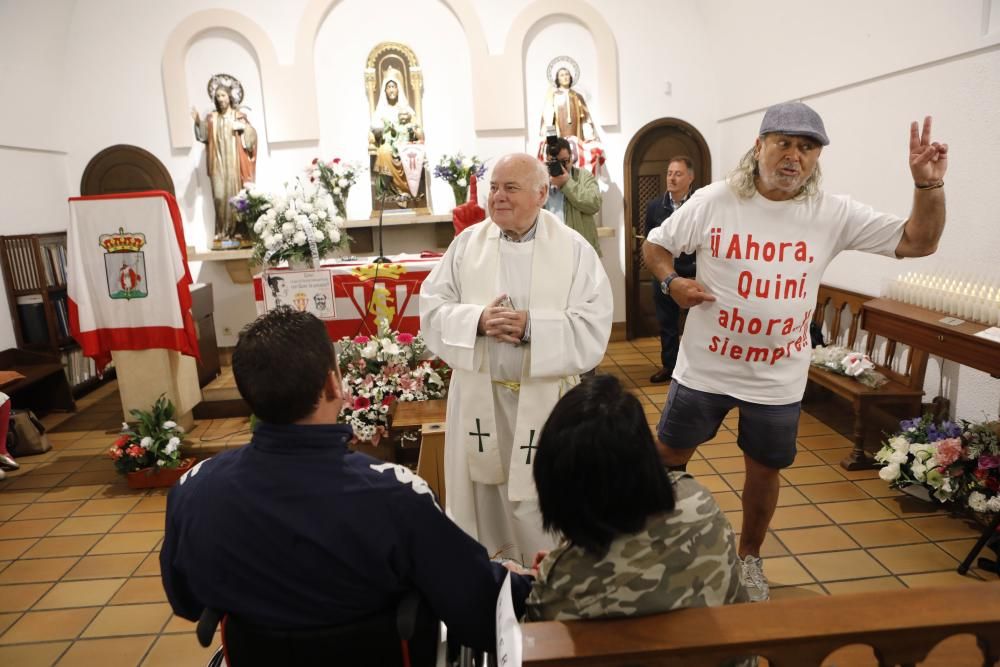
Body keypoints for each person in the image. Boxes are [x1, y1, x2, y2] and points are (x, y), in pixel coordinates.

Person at [643, 102, 948, 602]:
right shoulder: (714, 201)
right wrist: (671, 280)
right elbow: (656, 244)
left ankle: (749, 559)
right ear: (758, 147)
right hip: (706, 367)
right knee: (668, 455)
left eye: (807, 147)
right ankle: (652, 542)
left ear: (816, 158)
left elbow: (919, 242)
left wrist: (927, 184)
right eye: (783, 142)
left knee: (764, 470)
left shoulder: (832, 213)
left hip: (776, 376)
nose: (794, 156)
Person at [160, 308, 532, 652]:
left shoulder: (194, 491)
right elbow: (478, 607)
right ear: (332, 385)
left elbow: (186, 600)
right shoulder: (396, 496)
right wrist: (524, 580)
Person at [419, 153, 613, 564]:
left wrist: (532, 328)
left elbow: (594, 325)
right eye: (493, 187)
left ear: (542, 194)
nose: (498, 197)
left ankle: (550, 580)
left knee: (543, 497)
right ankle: (484, 582)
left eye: (510, 188)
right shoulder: (466, 246)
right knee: (480, 498)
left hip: (547, 406)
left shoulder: (574, 250)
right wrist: (476, 320)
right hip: (478, 400)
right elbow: (432, 311)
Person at [525, 375, 747, 620]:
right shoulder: (698, 500)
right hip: (724, 654)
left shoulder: (561, 585)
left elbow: (538, 636)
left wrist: (561, 566)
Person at [645, 156, 696, 383]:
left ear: (690, 177)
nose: (672, 178)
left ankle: (694, 369)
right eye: (669, 173)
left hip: (693, 273)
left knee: (695, 326)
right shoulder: (654, 206)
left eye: (678, 174)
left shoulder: (699, 205)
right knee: (667, 324)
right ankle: (670, 367)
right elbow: (649, 240)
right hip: (664, 275)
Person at [370, 67, 423, 199]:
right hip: (388, 143)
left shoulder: (405, 108)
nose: (391, 89)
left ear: (398, 89)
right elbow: (373, 132)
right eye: (389, 87)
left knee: (408, 151)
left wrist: (411, 127)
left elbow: (418, 129)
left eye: (394, 86)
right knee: (384, 151)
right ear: (385, 91)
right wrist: (380, 130)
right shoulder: (381, 111)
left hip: (405, 143)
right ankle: (390, 192)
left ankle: (408, 190)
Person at [543, 137, 602, 255]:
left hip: (580, 250)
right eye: (554, 162)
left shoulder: (583, 176)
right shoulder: (540, 180)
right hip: (549, 248)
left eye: (564, 161)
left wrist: (567, 183)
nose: (560, 167)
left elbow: (594, 204)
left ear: (571, 158)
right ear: (547, 161)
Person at [540, 67, 599, 144]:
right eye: (562, 75)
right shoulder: (553, 97)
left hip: (577, 140)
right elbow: (549, 120)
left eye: (567, 74)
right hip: (558, 142)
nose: (565, 77)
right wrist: (552, 141)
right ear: (557, 79)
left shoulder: (578, 96)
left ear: (570, 77)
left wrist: (589, 138)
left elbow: (585, 120)